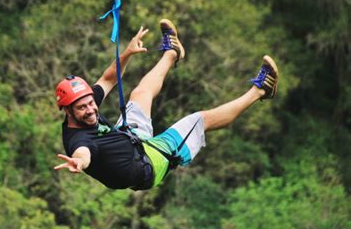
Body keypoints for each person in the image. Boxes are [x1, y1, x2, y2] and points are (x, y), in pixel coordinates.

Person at [54, 19, 278, 190]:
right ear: (68, 111)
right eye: (82, 108)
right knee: (200, 120)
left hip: (130, 140)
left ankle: (173, 52)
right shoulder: (78, 140)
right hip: (149, 164)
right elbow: (84, 153)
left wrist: (128, 53)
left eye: (91, 103)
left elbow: (108, 79)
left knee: (140, 92)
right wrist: (78, 162)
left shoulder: (86, 102)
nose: (91, 109)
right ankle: (261, 90)